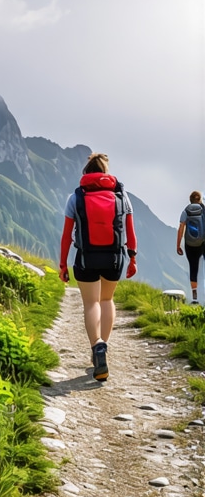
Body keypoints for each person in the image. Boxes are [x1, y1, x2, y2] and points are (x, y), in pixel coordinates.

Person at [59, 153, 138, 381]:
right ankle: (105, 347)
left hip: (86, 258)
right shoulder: (122, 196)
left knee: (91, 302)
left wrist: (63, 263)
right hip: (114, 257)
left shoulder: (76, 197)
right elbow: (130, 232)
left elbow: (66, 236)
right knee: (106, 300)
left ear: (87, 172)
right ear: (105, 172)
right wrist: (132, 258)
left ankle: (96, 346)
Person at [176, 191, 205, 304]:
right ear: (200, 199)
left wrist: (178, 245)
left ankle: (195, 297)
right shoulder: (203, 209)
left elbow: (181, 228)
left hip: (190, 244)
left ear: (190, 200)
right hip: (203, 242)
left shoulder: (186, 210)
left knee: (193, 268)